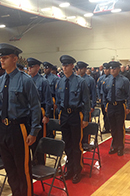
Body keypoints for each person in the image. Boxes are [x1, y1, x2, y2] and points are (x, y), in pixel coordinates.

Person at [0, 43, 41, 195]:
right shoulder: (0, 82)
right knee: (9, 168)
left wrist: (34, 131)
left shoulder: (25, 80)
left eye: (5, 57)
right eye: (1, 58)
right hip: (4, 128)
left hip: (19, 128)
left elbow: (35, 107)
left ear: (15, 59)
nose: (2, 60)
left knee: (22, 169)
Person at [55, 55, 90, 184]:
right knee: (67, 144)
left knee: (76, 145)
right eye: (63, 65)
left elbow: (86, 101)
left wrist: (85, 118)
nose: (64, 67)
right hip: (64, 115)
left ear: (72, 66)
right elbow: (59, 100)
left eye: (66, 65)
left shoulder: (80, 82)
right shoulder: (60, 81)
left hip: (75, 115)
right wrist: (59, 114)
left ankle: (77, 170)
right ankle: (69, 169)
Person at [27, 58, 53, 165]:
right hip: (27, 113)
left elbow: (48, 100)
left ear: (37, 68)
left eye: (31, 66)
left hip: (39, 112)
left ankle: (40, 162)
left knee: (38, 138)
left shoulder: (43, 81)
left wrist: (46, 115)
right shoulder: (27, 80)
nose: (29, 69)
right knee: (28, 138)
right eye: (28, 67)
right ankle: (31, 161)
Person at [102, 61, 130, 156]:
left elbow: (129, 95)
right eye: (111, 68)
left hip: (119, 105)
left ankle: (120, 147)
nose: (112, 70)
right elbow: (104, 94)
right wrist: (105, 104)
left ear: (118, 69)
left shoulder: (124, 80)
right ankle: (115, 146)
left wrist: (128, 106)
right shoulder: (107, 80)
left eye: (114, 68)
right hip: (110, 106)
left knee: (119, 127)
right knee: (113, 127)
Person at [97, 63, 111, 133]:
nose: (105, 70)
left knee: (110, 114)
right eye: (104, 69)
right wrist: (99, 97)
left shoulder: (112, 78)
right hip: (103, 98)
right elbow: (98, 88)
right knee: (104, 114)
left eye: (107, 69)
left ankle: (111, 127)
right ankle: (106, 128)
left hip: (110, 98)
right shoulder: (101, 78)